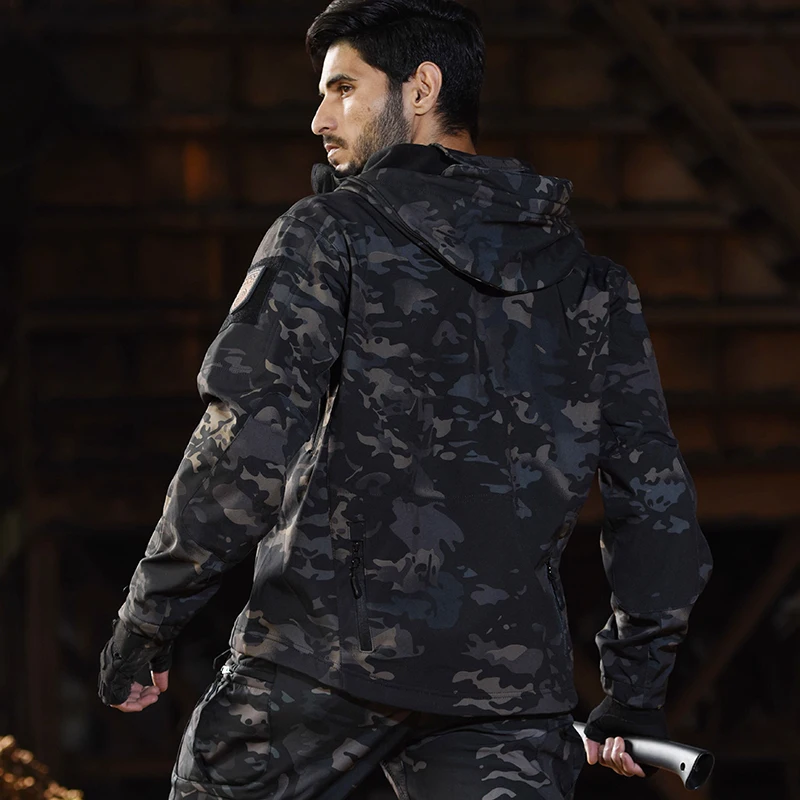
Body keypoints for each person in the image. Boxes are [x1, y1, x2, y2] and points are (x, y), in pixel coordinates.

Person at [97, 1, 713, 798]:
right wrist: (635, 690)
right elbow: (656, 502)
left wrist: (146, 623)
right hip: (505, 694)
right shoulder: (592, 285)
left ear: (421, 88)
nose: (320, 119)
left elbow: (241, 448)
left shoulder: (327, 235)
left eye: (344, 89)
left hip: (319, 661)